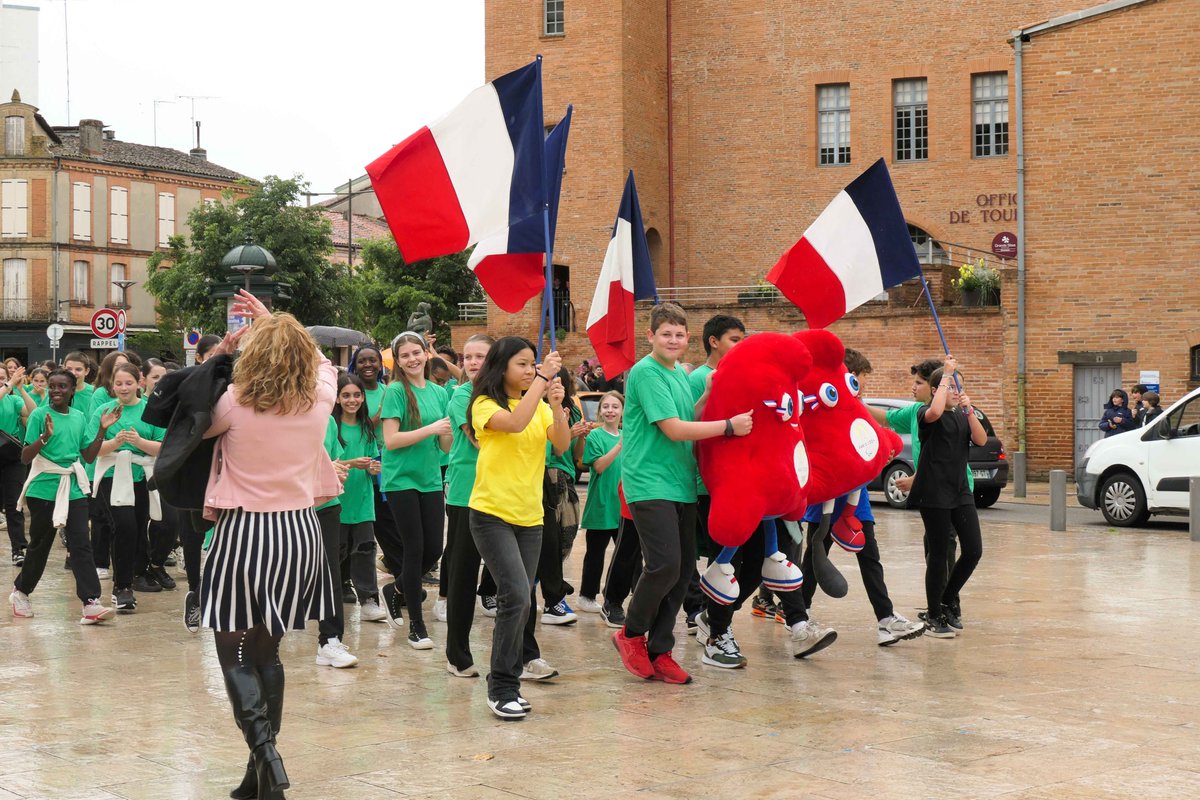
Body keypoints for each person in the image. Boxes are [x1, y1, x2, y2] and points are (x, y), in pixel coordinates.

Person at [198, 292, 340, 800]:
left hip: (245, 533)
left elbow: (191, 408)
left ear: (252, 356)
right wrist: (280, 322)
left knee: (234, 654)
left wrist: (220, 352)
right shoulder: (321, 396)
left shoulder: (233, 401)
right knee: (267, 652)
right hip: (300, 532)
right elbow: (325, 364)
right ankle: (260, 777)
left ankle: (269, 759)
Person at [612, 302, 753, 685]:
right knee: (664, 565)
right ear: (651, 336)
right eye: (665, 334)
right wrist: (727, 426)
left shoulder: (678, 374)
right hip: (648, 482)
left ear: (687, 338)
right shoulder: (645, 372)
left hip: (681, 484)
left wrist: (707, 396)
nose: (673, 340)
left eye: (678, 334)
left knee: (681, 574)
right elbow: (673, 430)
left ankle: (660, 651)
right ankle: (629, 633)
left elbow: (688, 417)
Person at [780, 348, 925, 654]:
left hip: (856, 502)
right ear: (851, 375)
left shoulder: (853, 406)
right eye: (861, 377)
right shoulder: (827, 406)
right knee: (815, 559)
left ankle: (884, 618)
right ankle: (799, 615)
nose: (863, 384)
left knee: (867, 557)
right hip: (829, 499)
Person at [468, 337, 569, 718]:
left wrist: (557, 407)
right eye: (523, 365)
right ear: (502, 367)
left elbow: (559, 445)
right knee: (517, 597)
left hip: (531, 518)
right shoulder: (484, 404)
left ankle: (509, 680)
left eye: (533, 364)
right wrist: (543, 380)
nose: (529, 371)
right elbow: (514, 423)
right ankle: (502, 687)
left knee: (521, 602)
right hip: (491, 514)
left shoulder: (540, 405)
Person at [9, 368, 114, 624]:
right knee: (40, 546)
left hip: (74, 488)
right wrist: (44, 437)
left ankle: (90, 602)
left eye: (62, 386)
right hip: (43, 488)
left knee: (81, 543)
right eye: (52, 386)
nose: (56, 390)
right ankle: (21, 591)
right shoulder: (38, 415)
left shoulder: (79, 416)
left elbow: (88, 456)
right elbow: (25, 457)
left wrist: (101, 430)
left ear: (72, 389)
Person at [380, 331, 451, 650]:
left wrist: (448, 434)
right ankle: (417, 626)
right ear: (398, 360)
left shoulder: (439, 392)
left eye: (416, 352)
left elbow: (445, 443)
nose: (412, 359)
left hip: (431, 478)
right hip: (401, 480)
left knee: (434, 548)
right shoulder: (396, 390)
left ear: (426, 354)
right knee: (414, 548)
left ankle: (395, 590)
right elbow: (391, 441)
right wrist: (432, 429)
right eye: (405, 355)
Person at [907, 358, 988, 638]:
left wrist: (968, 408)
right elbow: (935, 412)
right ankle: (933, 615)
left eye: (959, 387)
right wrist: (946, 375)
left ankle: (948, 598)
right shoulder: (926, 413)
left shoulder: (961, 415)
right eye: (951, 386)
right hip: (934, 492)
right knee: (939, 556)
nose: (956, 390)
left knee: (974, 550)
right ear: (936, 389)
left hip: (960, 492)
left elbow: (980, 439)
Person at [684, 314, 745, 637]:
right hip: (701, 482)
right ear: (713, 341)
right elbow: (689, 425)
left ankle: (710, 611)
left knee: (728, 553)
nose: (740, 346)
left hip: (729, 482)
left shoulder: (738, 374)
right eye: (734, 339)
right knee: (701, 553)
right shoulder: (699, 378)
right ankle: (699, 610)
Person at [89, 362, 165, 611]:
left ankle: (134, 575)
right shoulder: (104, 410)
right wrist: (115, 441)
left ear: (139, 383)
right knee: (124, 527)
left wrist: (139, 441)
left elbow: (162, 446)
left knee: (138, 528)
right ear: (111, 384)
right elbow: (93, 450)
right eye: (118, 383)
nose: (123, 388)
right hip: (112, 473)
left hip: (142, 475)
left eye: (128, 383)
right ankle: (122, 588)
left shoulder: (150, 409)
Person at [332, 374, 385, 626]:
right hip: (337, 502)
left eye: (356, 395)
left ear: (363, 398)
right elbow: (325, 463)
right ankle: (330, 595)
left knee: (365, 549)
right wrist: (352, 463)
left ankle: (369, 600)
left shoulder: (366, 427)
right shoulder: (331, 426)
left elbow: (373, 459)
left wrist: (373, 467)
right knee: (337, 550)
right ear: (337, 398)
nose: (352, 400)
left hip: (363, 501)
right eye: (346, 395)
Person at [538, 366, 588, 625]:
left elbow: (577, 455)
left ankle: (551, 585)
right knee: (550, 540)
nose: (554, 385)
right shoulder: (537, 408)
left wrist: (580, 434)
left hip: (567, 476)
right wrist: (568, 432)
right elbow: (556, 450)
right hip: (548, 475)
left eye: (559, 380)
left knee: (564, 537)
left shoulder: (573, 409)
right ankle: (553, 596)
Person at [312, 408, 358, 669]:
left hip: (326, 505)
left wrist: (336, 471)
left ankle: (330, 640)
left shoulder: (326, 419)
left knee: (329, 574)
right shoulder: (279, 415)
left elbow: (335, 462)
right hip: (288, 505)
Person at [577, 391, 624, 614]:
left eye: (615, 406)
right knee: (595, 553)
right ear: (600, 411)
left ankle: (617, 595)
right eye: (606, 406)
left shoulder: (628, 435)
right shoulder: (595, 436)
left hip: (624, 506)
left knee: (626, 555)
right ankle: (586, 595)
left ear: (622, 411)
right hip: (601, 504)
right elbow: (598, 466)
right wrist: (620, 445)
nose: (610, 411)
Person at [0, 364, 36, 565]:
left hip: (11, 457)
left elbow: (33, 412)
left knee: (14, 504)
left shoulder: (13, 399)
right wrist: (9, 383)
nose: (1, 380)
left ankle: (19, 548)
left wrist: (21, 388)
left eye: (2, 377)